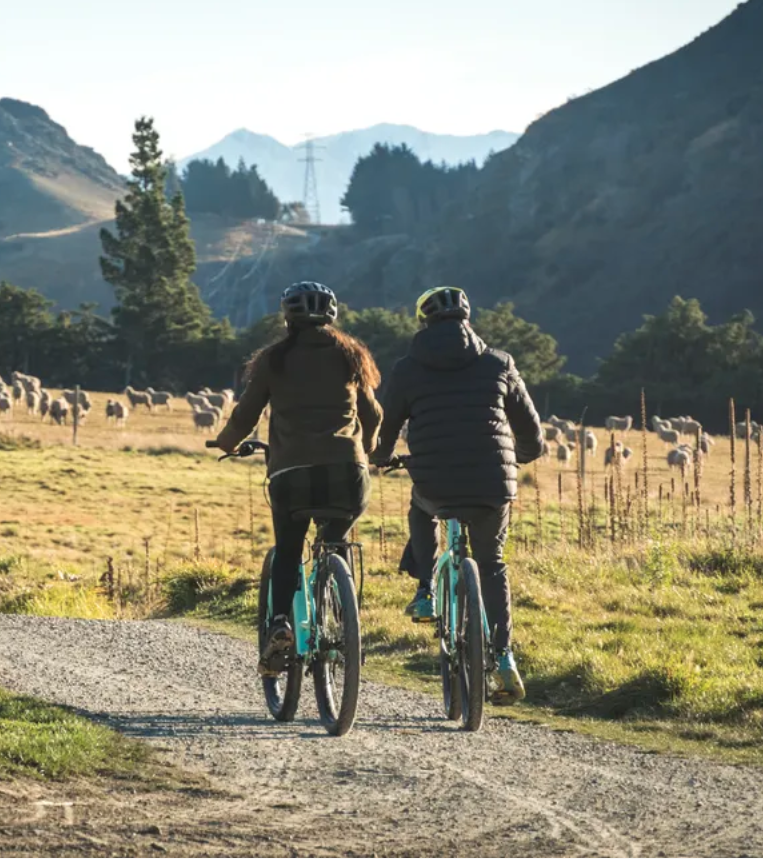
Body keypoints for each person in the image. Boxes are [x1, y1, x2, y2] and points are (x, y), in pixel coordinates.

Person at [370, 286, 544, 703]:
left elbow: (388, 427)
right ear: (468, 319)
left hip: (435, 479)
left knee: (421, 508)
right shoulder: (499, 362)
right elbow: (533, 436)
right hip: (492, 482)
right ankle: (504, 659)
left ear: (424, 322)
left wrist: (381, 456)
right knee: (493, 565)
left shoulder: (408, 368)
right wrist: (515, 458)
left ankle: (427, 589)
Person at [211, 281, 383, 674]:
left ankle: (281, 626)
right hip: (347, 473)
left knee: (288, 549)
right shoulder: (352, 355)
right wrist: (368, 447)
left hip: (292, 473)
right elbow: (374, 415)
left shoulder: (274, 359)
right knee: (335, 539)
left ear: (287, 317)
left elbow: (246, 414)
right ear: (332, 317)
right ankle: (340, 610)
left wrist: (226, 442)